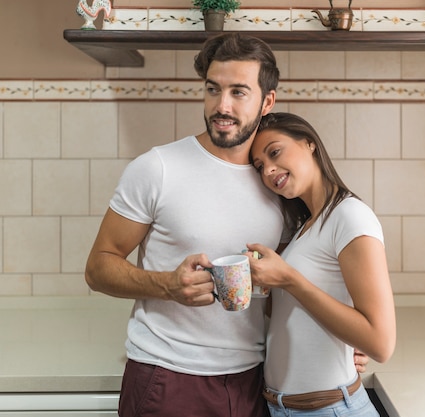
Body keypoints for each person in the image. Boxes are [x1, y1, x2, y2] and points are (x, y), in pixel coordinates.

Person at [85, 33, 282, 417]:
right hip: (166, 379)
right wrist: (168, 286)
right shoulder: (157, 168)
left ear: (267, 101)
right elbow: (98, 267)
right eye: (213, 89)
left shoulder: (279, 182)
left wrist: (340, 344)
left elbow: (294, 283)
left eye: (239, 92)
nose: (221, 106)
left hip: (255, 381)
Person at [246, 112, 397, 417]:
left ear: (309, 143)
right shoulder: (305, 228)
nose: (268, 169)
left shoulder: (350, 216)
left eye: (274, 152)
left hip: (330, 409)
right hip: (283, 407)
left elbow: (380, 343)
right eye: (260, 166)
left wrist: (289, 279)